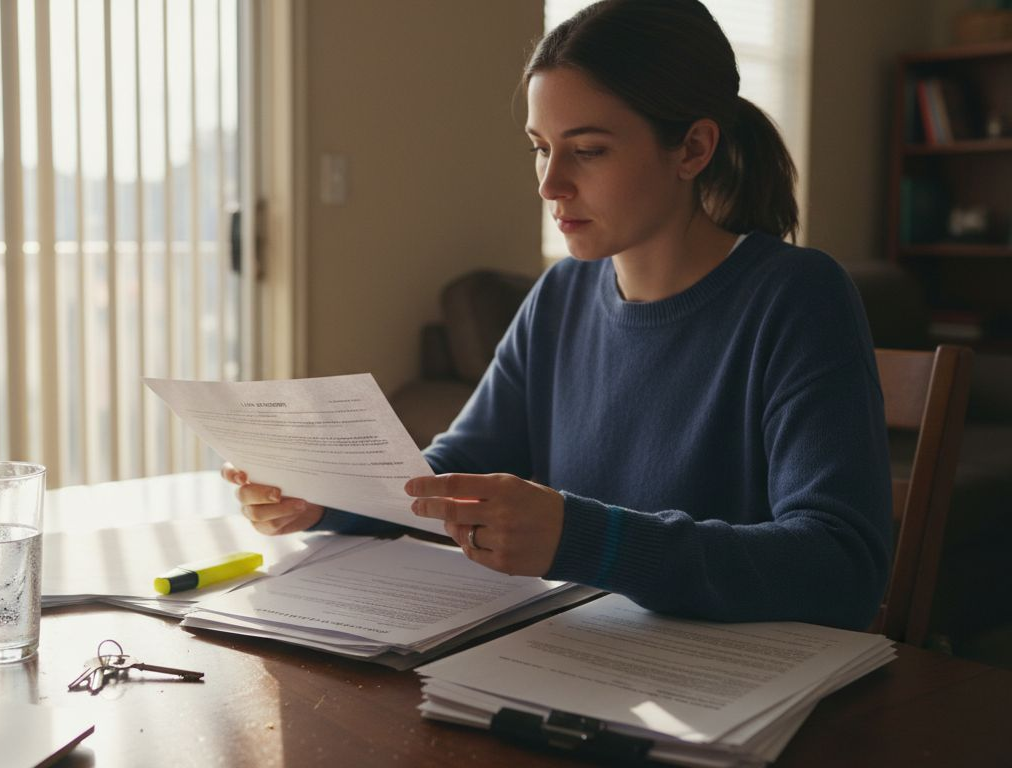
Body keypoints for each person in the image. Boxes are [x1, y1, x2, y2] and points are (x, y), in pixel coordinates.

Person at [223, 0, 892, 630]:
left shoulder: (798, 297)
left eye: (589, 149)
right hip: (576, 660)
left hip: (727, 699)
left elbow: (841, 566)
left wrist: (586, 539)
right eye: (541, 147)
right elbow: (459, 464)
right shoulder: (562, 294)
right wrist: (327, 497)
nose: (549, 184)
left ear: (692, 149)